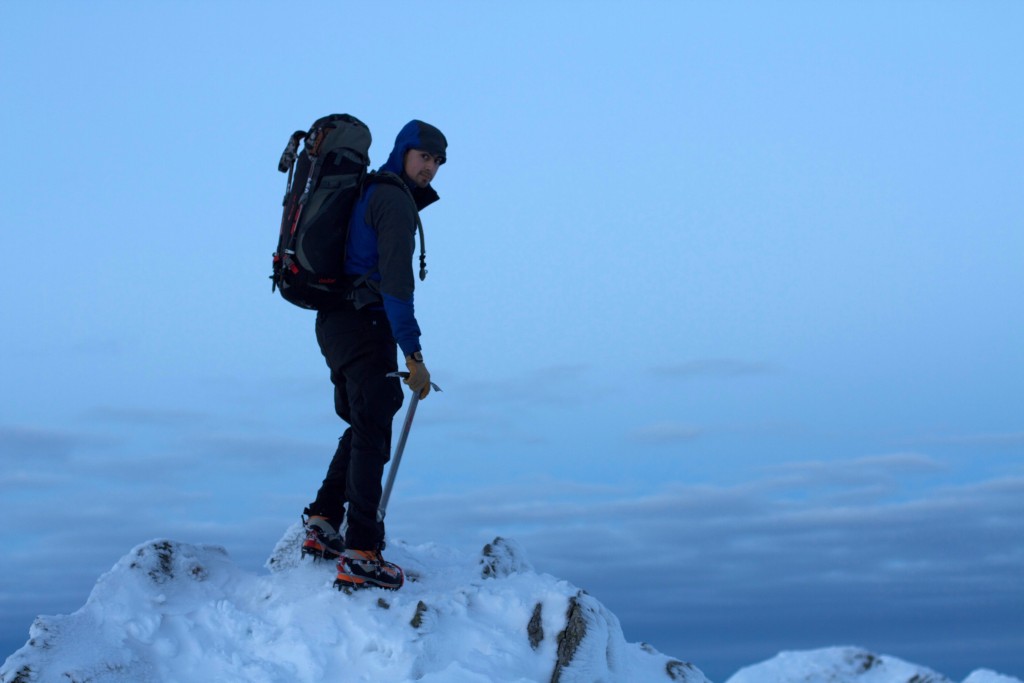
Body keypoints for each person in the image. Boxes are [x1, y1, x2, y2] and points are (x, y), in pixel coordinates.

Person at [301, 119, 447, 590]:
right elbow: (397, 283)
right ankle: (362, 550)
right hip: (365, 323)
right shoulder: (392, 200)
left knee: (365, 420)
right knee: (373, 431)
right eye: (424, 156)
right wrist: (414, 353)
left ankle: (324, 520)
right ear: (403, 151)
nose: (431, 168)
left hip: (334, 322)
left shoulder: (368, 191)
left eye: (438, 162)